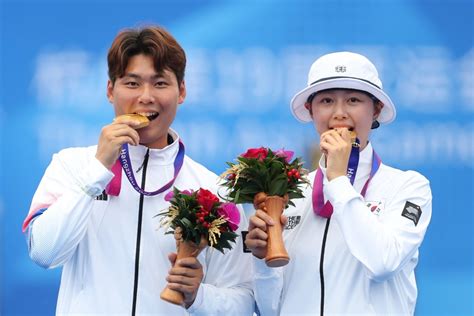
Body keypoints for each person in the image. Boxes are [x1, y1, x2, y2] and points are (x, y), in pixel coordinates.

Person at [23, 25, 254, 315]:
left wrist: (199, 297)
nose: (146, 96)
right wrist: (97, 170)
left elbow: (245, 300)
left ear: (181, 91)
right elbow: (44, 253)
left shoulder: (212, 190)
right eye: (132, 83)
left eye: (160, 83)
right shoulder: (72, 166)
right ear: (110, 90)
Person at [245, 51, 432, 315]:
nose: (339, 113)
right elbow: (271, 308)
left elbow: (383, 262)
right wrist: (262, 261)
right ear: (311, 110)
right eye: (326, 101)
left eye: (354, 100)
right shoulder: (291, 195)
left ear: (376, 109)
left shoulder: (408, 187)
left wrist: (338, 178)